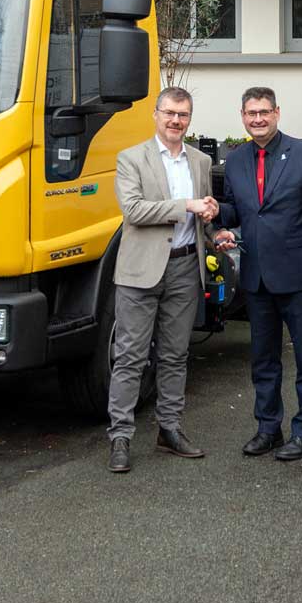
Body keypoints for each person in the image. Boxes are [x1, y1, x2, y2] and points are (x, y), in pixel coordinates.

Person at [214, 87, 302, 461]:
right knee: (263, 360)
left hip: (301, 279)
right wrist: (215, 216)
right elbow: (237, 211)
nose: (258, 119)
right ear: (242, 116)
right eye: (251, 113)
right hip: (257, 280)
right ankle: (268, 428)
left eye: (264, 112)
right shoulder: (235, 161)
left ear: (277, 113)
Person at [106, 87, 219, 474]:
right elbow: (134, 211)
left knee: (175, 355)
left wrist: (213, 226)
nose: (176, 121)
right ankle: (120, 436)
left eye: (183, 115)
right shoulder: (130, 159)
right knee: (131, 357)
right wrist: (186, 205)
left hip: (186, 268)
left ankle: (169, 429)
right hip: (140, 273)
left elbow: (202, 216)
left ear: (189, 118)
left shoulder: (201, 162)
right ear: (155, 115)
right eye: (169, 113)